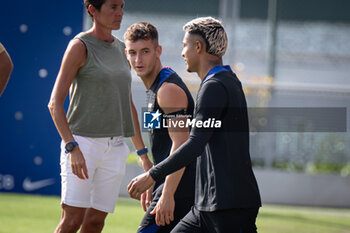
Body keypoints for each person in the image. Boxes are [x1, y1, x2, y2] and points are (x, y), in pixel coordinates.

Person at [128, 17, 262, 233]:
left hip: (229, 205)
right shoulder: (221, 81)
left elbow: (193, 143)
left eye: (184, 46)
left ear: (198, 47)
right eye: (132, 52)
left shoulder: (215, 86)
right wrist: (145, 159)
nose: (182, 53)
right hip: (206, 205)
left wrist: (153, 177)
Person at [48, 0, 150, 232]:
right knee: (72, 221)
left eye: (121, 6)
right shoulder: (79, 46)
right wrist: (71, 147)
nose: (120, 13)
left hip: (115, 148)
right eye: (113, 7)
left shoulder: (122, 48)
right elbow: (54, 103)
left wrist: (143, 154)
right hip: (82, 145)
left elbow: (127, 104)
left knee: (95, 223)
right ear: (93, 10)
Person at [124, 22, 196, 232]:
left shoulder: (167, 90)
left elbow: (181, 144)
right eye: (132, 53)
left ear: (158, 51)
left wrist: (167, 194)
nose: (138, 60)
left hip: (181, 187)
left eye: (145, 52)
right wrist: (148, 164)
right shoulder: (153, 89)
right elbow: (160, 141)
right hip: (167, 182)